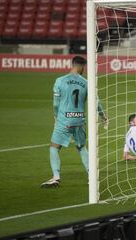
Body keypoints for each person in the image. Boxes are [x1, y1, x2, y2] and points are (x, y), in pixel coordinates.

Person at [41, 56, 108, 187]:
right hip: (79, 120)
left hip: (64, 120)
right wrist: (103, 116)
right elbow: (97, 102)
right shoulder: (87, 83)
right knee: (81, 147)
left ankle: (56, 176)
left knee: (54, 147)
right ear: (82, 66)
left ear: (72, 64)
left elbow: (56, 104)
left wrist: (56, 117)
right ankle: (91, 175)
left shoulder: (59, 81)